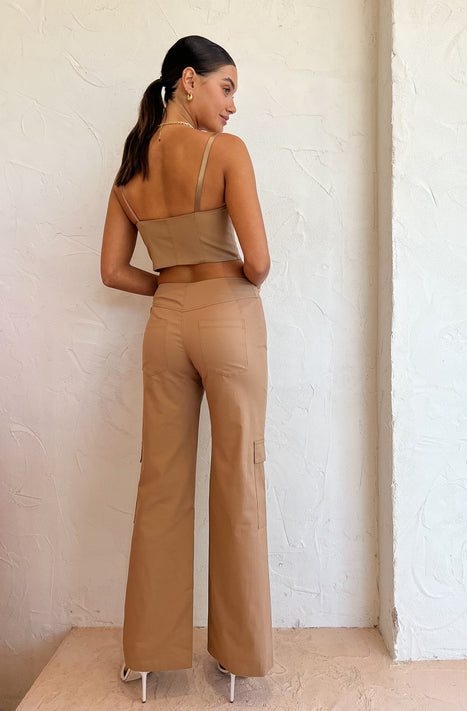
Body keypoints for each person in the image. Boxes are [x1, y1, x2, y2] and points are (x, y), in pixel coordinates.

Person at [100, 35, 273, 704]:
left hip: (165, 325)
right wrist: (220, 281)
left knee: (161, 482)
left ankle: (146, 658)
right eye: (226, 87)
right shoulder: (226, 153)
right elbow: (258, 263)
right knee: (239, 477)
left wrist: (171, 286)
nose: (232, 105)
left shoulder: (129, 171)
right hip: (227, 319)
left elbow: (113, 271)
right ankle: (238, 658)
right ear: (187, 81)